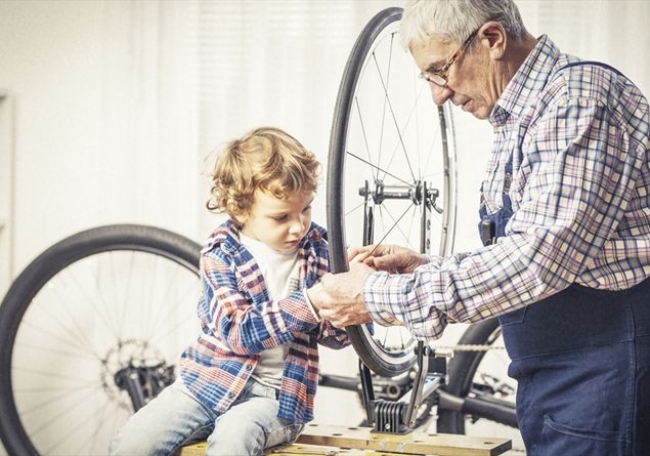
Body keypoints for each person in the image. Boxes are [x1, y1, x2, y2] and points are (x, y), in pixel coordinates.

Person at [307, 0, 650, 455]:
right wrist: (428, 267)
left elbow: (538, 262)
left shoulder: (575, 101)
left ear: (491, 39)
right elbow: (534, 246)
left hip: (603, 368)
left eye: (439, 70)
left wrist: (373, 295)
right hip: (563, 371)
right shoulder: (527, 113)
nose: (438, 94)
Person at [110, 126, 349, 456]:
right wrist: (311, 302)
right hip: (207, 382)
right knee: (134, 441)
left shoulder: (320, 251)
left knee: (233, 437)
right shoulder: (221, 255)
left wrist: (348, 295)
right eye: (281, 217)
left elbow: (339, 338)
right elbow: (239, 332)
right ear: (240, 209)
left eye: (305, 209)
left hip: (277, 396)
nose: (298, 226)